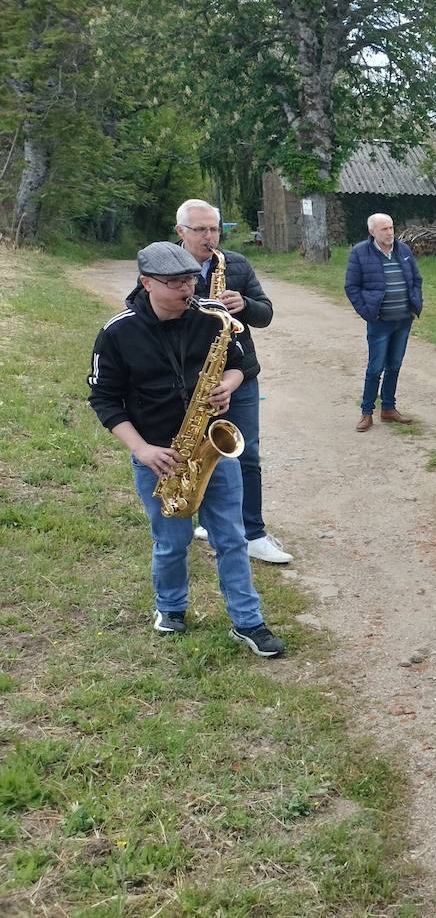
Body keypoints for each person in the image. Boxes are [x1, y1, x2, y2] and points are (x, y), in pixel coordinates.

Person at [88, 241, 285, 658]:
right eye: (175, 282)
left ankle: (249, 622)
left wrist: (226, 387)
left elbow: (241, 366)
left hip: (209, 445)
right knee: (171, 541)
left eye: (190, 280)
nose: (187, 290)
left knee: (231, 537)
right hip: (160, 454)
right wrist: (142, 450)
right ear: (146, 283)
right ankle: (171, 607)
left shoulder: (212, 318)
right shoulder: (118, 331)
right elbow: (104, 400)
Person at [173, 199, 293, 564]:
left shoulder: (234, 264)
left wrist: (245, 304)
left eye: (214, 229)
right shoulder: (164, 263)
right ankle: (211, 521)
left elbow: (266, 313)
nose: (210, 237)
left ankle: (253, 532)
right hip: (187, 378)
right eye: (201, 230)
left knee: (246, 452)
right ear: (181, 231)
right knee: (195, 451)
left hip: (238, 375)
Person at [346, 213, 424, 431]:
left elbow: (416, 279)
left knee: (394, 365)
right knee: (375, 368)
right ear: (372, 232)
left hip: (403, 319)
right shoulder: (360, 253)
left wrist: (415, 302)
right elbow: (351, 287)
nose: (390, 233)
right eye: (384, 229)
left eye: (391, 228)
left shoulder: (403, 250)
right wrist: (367, 311)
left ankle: (388, 408)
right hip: (379, 321)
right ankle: (366, 412)